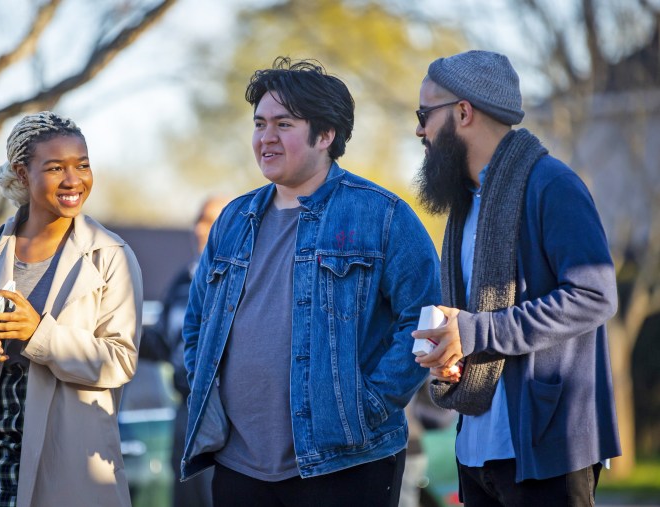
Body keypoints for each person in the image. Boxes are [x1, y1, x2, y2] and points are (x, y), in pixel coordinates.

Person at [181, 57, 441, 507]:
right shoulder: (231, 220)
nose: (266, 138)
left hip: (346, 462)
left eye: (284, 124)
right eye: (260, 123)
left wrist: (370, 407)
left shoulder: (382, 216)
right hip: (238, 464)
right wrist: (209, 391)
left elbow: (424, 319)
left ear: (326, 136)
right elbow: (196, 324)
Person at [411, 50, 620, 506]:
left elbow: (594, 295)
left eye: (425, 114)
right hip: (476, 452)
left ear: (463, 112)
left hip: (548, 447)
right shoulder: (464, 205)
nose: (419, 129)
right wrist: (451, 349)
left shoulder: (551, 184)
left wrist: (473, 331)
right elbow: (471, 323)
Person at [0, 111, 144, 507]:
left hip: (67, 462)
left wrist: (39, 333)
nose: (74, 180)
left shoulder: (111, 256)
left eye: (83, 165)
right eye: (56, 167)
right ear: (22, 174)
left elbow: (120, 361)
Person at [139, 195, 229, 507]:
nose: (204, 229)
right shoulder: (182, 280)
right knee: (186, 499)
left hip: (229, 414)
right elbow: (163, 344)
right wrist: (114, 331)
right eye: (200, 220)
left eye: (214, 221)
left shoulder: (250, 277)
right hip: (186, 409)